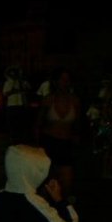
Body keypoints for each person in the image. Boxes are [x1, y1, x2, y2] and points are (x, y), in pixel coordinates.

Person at [35, 68, 81, 199]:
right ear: (56, 82)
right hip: (50, 141)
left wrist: (76, 138)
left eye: (67, 80)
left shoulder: (75, 101)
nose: (65, 83)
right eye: (62, 79)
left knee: (66, 178)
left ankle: (63, 203)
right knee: (48, 177)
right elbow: (38, 123)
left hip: (66, 143)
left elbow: (77, 124)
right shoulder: (48, 100)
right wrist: (37, 144)